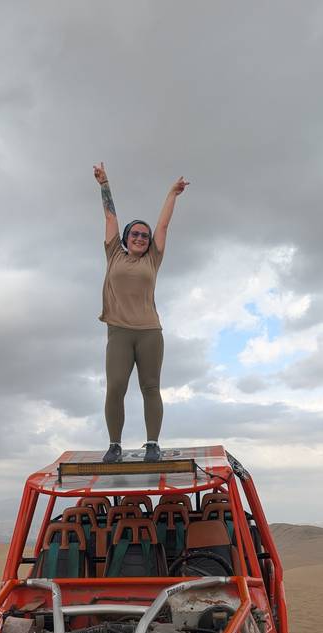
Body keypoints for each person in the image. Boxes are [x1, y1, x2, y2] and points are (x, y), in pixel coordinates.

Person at [93, 163, 189, 463]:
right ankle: (115, 445)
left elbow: (163, 226)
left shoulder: (153, 260)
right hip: (120, 331)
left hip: (149, 332)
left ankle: (152, 444)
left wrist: (172, 193)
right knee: (116, 387)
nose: (140, 237)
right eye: (134, 233)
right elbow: (110, 214)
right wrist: (104, 183)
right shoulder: (114, 253)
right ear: (125, 237)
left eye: (144, 236)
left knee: (150, 387)